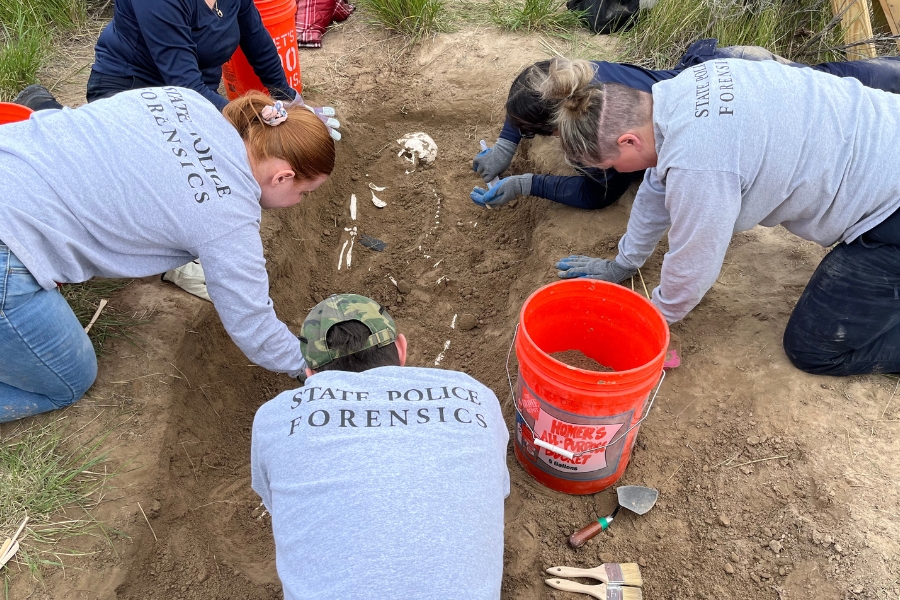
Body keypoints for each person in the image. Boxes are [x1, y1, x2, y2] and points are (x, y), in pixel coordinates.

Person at [544, 56, 900, 376]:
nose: (616, 172)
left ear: (628, 142)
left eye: (611, 165)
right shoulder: (681, 91)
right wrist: (624, 263)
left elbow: (695, 261)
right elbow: (657, 185)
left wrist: (653, 321)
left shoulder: (699, 164)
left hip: (891, 208)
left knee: (813, 350)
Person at [0, 89, 334, 423]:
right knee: (68, 381)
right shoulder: (228, 216)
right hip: (8, 246)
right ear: (283, 177)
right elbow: (254, 326)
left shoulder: (186, 100)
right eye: (303, 194)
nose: (300, 202)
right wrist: (310, 367)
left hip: (11, 154)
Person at [251, 293, 509, 599]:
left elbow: (276, 503)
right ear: (401, 349)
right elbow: (498, 490)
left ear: (310, 374)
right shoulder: (477, 397)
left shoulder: (275, 417)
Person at [470, 39, 900, 209]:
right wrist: (508, 141)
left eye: (528, 130)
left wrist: (528, 184)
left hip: (742, 89)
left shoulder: (601, 126)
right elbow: (530, 91)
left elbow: (595, 195)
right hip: (730, 67)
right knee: (844, 81)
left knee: (844, 96)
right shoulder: (576, 80)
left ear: (557, 126)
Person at [15, 0, 298, 113]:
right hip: (131, 85)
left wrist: (288, 98)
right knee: (127, 175)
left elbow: (257, 40)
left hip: (196, 91)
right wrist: (253, 117)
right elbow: (184, 84)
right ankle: (45, 109)